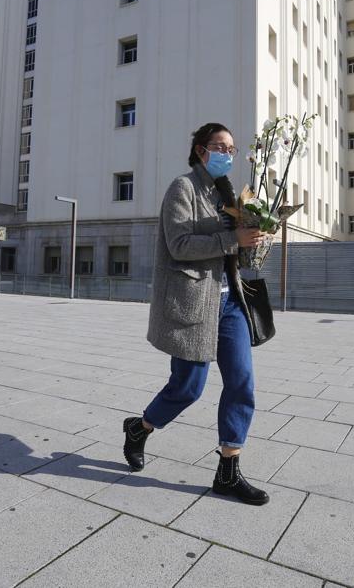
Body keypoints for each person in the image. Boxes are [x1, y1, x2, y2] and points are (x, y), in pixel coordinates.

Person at [124, 122, 271, 506]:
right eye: (220, 146)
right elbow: (179, 244)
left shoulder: (230, 194)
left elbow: (233, 252)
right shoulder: (183, 188)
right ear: (201, 150)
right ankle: (140, 429)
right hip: (194, 300)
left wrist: (256, 238)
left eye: (232, 149)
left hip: (230, 302)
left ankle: (228, 471)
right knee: (188, 388)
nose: (227, 154)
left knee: (242, 383)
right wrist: (230, 239)